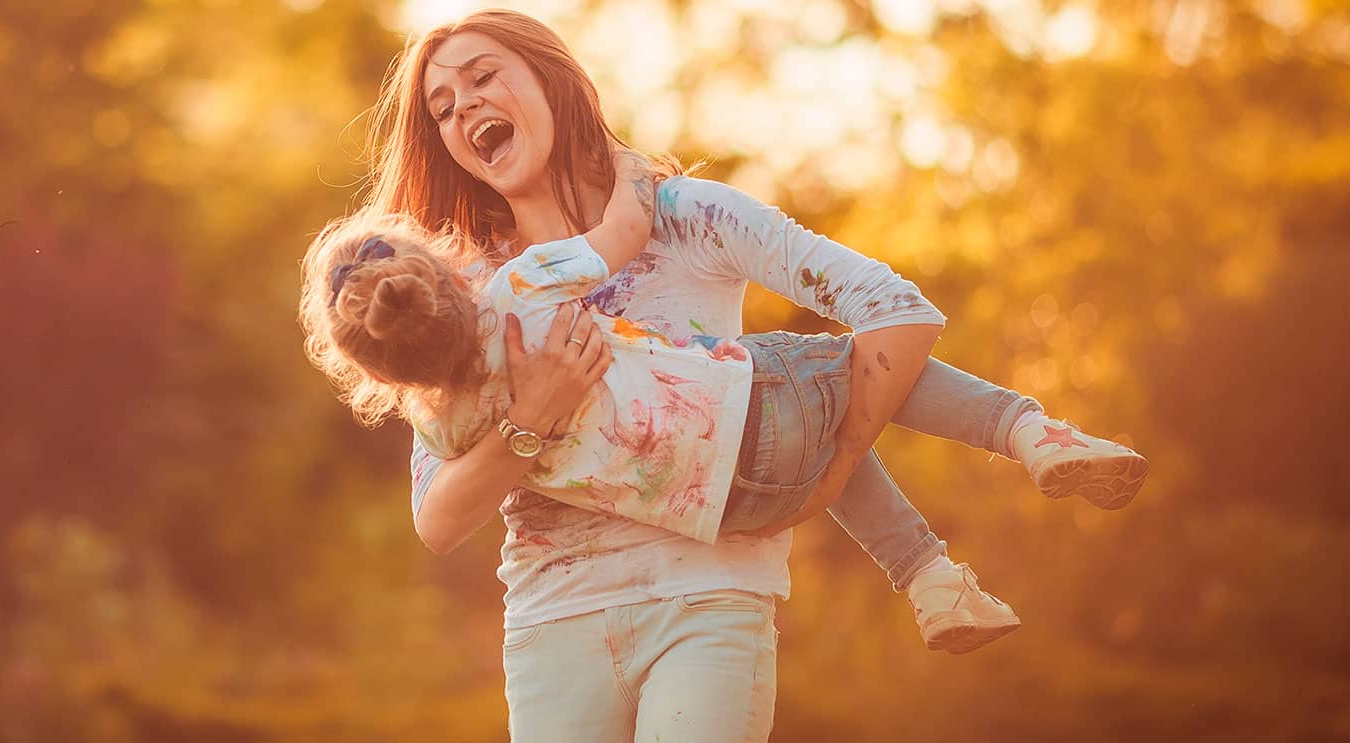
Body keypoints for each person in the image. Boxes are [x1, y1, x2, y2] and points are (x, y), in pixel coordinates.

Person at [324, 8, 1142, 742]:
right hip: (554, 619)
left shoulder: (687, 216)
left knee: (795, 382)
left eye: (481, 77)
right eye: (441, 107)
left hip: (711, 597)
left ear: (550, 79)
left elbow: (896, 311)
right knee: (794, 384)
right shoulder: (466, 291)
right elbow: (436, 517)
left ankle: (1017, 447)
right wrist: (533, 415)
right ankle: (945, 549)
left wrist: (839, 463)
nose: (462, 107)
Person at [300, 145, 1146, 641]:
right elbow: (627, 230)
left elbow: (441, 517)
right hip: (741, 408)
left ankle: (932, 581)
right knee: (855, 376)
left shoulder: (443, 430)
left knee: (825, 426)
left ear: (379, 376)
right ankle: (1031, 432)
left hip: (723, 511)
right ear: (447, 270)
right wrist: (630, 167)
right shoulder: (523, 285)